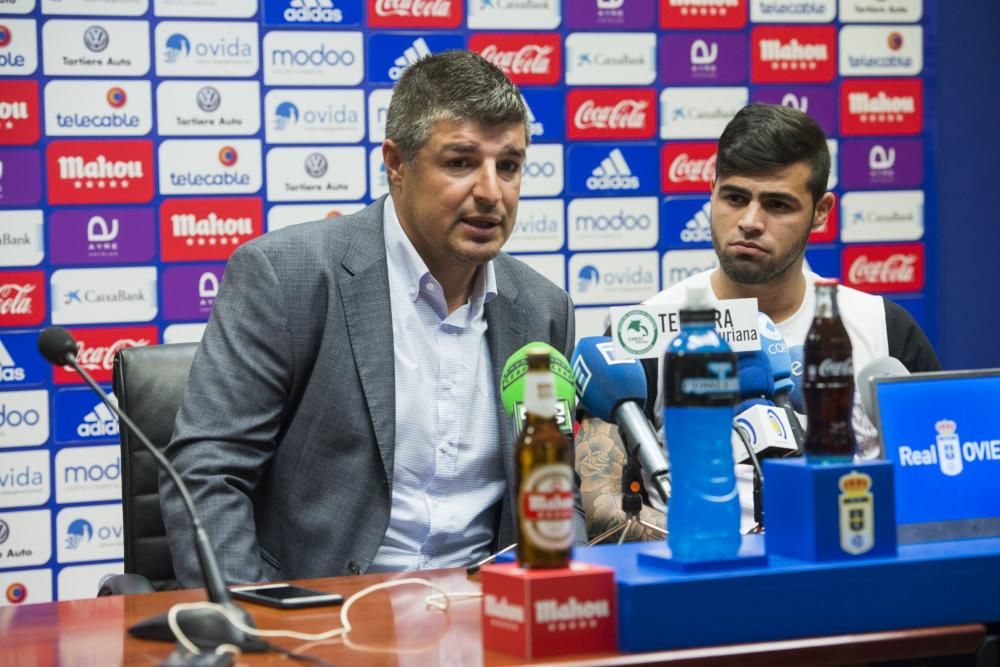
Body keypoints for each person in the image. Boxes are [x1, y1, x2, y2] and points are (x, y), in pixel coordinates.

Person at [160, 50, 584, 587]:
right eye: (460, 162)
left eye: (509, 166)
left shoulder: (543, 311)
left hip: (489, 612)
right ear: (397, 164)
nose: (491, 192)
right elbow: (206, 474)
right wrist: (253, 627)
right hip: (324, 616)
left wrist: (564, 598)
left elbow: (551, 491)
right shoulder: (287, 277)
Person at [577, 103, 940, 540]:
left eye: (778, 205)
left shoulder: (884, 328)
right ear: (711, 190)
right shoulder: (644, 332)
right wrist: (724, 549)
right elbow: (604, 513)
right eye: (734, 197)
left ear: (821, 211)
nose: (750, 222)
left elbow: (936, 488)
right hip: (701, 586)